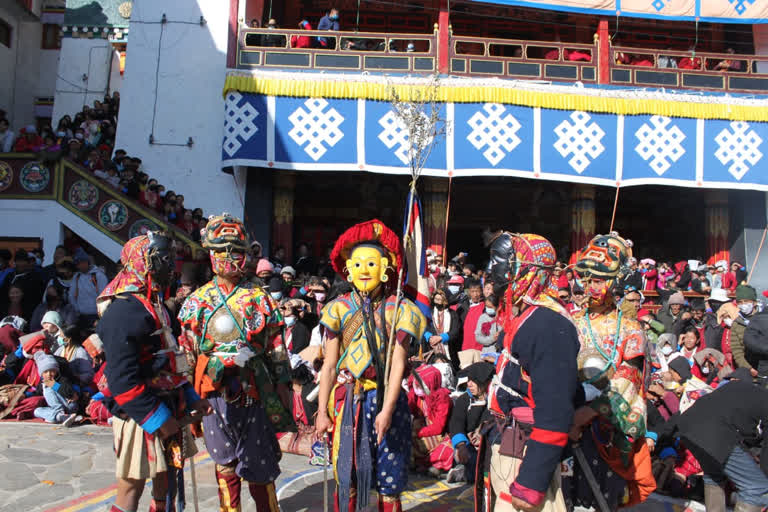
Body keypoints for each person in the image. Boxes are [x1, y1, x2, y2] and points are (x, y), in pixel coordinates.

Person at [178, 214, 288, 512]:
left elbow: (278, 351)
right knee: (224, 461)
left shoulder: (260, 299)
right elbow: (187, 353)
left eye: (235, 251)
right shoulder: (197, 302)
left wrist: (283, 389)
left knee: (259, 462)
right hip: (213, 394)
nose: (228, 257)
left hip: (254, 392)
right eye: (220, 250)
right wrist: (187, 394)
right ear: (210, 254)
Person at [314, 219, 426, 512]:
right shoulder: (337, 308)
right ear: (348, 269)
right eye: (359, 264)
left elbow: (398, 364)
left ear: (387, 268)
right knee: (348, 475)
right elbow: (328, 366)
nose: (364, 270)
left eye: (372, 264)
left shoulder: (400, 309)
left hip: (385, 397)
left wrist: (387, 411)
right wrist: (322, 411)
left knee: (389, 479)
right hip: (349, 402)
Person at [98, 232, 210, 512]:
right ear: (145, 263)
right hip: (140, 414)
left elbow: (171, 361)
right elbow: (122, 380)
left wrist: (192, 397)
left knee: (166, 479)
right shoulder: (122, 312)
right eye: (165, 259)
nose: (172, 267)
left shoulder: (158, 306)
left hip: (169, 405)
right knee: (131, 487)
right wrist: (160, 420)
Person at [481, 231, 581, 512]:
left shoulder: (548, 326)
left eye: (499, 263)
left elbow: (555, 410)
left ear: (522, 269)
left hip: (526, 455)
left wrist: (532, 481)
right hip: (509, 443)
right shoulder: (528, 316)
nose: (491, 272)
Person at [566, 233, 655, 510]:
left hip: (606, 426)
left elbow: (629, 380)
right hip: (566, 420)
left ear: (615, 281)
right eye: (586, 279)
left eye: (598, 280)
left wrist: (586, 415)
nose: (589, 286)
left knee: (603, 497)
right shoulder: (568, 321)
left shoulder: (629, 329)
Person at [674, 370, 768, 512]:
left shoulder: (747, 390)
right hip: (714, 432)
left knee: (714, 475)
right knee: (757, 488)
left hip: (688, 425)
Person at [447, 361, 494, 485]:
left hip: (488, 444)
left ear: (484, 383)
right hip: (468, 445)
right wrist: (461, 445)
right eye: (468, 380)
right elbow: (456, 423)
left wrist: (482, 436)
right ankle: (463, 471)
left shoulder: (494, 401)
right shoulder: (464, 400)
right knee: (469, 458)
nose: (469, 384)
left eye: (474, 381)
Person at [408, 364, 453, 477]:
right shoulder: (416, 395)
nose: (417, 385)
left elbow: (439, 426)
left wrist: (418, 433)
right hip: (421, 432)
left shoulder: (442, 398)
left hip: (440, 435)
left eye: (420, 384)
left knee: (448, 449)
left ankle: (434, 465)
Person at [31, 352, 80, 426]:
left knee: (47, 387)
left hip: (69, 405)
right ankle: (60, 417)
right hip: (56, 409)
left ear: (56, 371)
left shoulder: (62, 379)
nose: (49, 374)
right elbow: (37, 392)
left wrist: (53, 385)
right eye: (46, 372)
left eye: (52, 371)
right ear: (41, 374)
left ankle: (58, 415)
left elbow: (69, 392)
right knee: (36, 411)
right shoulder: (42, 382)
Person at [423, 288, 461, 368]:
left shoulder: (452, 314)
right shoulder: (429, 312)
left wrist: (441, 337)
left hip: (449, 351)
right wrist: (429, 337)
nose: (438, 302)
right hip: (432, 351)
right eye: (436, 299)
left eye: (440, 300)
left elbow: (455, 331)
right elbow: (424, 328)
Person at [69, 250, 108, 326]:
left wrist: (100, 312)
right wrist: (78, 309)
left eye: (81, 263)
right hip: (81, 316)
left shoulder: (99, 276)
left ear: (87, 262)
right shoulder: (77, 276)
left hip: (96, 316)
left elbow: (104, 296)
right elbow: (71, 295)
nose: (79, 266)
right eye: (77, 264)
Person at [730, 284, 758, 375]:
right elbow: (736, 350)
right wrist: (748, 368)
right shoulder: (737, 323)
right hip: (747, 369)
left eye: (746, 301)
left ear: (754, 303)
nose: (743, 305)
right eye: (740, 302)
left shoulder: (763, 319)